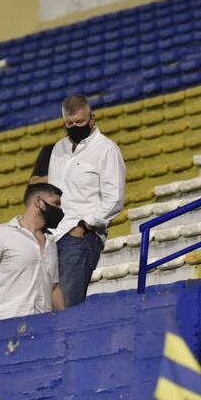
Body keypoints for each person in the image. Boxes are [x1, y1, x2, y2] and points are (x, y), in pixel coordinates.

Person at [47, 95, 126, 307]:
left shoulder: (106, 149)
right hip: (51, 237)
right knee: (45, 306)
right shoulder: (58, 149)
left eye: (80, 122)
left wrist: (83, 226)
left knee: (66, 305)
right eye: (69, 123)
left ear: (92, 118)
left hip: (79, 236)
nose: (74, 127)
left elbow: (114, 198)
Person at [0, 183, 66, 323]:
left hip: (42, 325)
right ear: (39, 202)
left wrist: (64, 321)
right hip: (4, 323)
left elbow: (54, 287)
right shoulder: (1, 233)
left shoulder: (51, 243)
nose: (59, 210)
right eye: (56, 203)